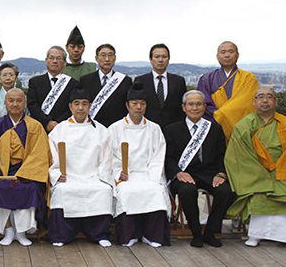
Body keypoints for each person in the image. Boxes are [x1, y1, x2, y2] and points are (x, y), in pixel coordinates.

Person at [224, 86, 286, 247]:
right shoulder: (243, 126)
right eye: (261, 97)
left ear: (276, 101)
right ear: (254, 101)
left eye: (269, 97)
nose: (265, 100)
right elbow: (238, 157)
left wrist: (280, 171)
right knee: (258, 191)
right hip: (254, 172)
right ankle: (255, 235)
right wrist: (262, 172)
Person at [0, 87, 51, 246]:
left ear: (24, 104)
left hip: (28, 174)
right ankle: (8, 230)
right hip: (1, 174)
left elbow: (40, 154)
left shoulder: (35, 127)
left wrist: (25, 174)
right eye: (11, 100)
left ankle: (22, 231)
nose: (15, 104)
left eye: (19, 101)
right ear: (5, 103)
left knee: (29, 189)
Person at [164, 90, 234, 248]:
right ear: (183, 107)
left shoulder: (214, 128)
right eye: (190, 104)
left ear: (204, 107)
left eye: (198, 104)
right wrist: (177, 173)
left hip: (209, 173)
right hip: (184, 173)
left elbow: (222, 154)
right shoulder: (172, 129)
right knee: (187, 191)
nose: (194, 108)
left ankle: (210, 232)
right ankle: (195, 232)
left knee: (226, 191)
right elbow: (168, 158)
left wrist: (221, 173)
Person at [47, 85, 114, 247]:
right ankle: (61, 235)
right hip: (68, 176)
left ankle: (99, 234)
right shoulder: (59, 130)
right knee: (63, 190)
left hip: (93, 175)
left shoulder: (101, 130)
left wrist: (102, 177)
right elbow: (53, 157)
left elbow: (106, 158)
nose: (81, 107)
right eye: (76, 103)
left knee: (103, 190)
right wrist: (57, 174)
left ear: (90, 106)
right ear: (70, 106)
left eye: (85, 103)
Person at [109, 87, 171, 247]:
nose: (138, 107)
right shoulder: (115, 128)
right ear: (127, 105)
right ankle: (129, 235)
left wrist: (153, 177)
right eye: (134, 103)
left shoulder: (154, 128)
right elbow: (110, 156)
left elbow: (158, 155)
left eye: (142, 103)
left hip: (148, 173)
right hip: (125, 175)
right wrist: (118, 173)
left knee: (155, 190)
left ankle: (152, 236)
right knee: (126, 190)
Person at [196, 41, 259, 140]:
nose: (227, 55)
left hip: (241, 128)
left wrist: (220, 116)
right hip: (213, 127)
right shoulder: (206, 78)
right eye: (223, 52)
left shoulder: (249, 78)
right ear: (217, 56)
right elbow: (203, 103)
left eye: (230, 51)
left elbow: (246, 105)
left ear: (237, 55)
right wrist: (218, 120)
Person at [131, 43, 187, 130]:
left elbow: (183, 107)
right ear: (150, 59)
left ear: (168, 59)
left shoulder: (178, 81)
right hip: (147, 129)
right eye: (157, 57)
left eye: (164, 57)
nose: (160, 60)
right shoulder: (140, 80)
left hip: (174, 130)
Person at [79, 44, 133, 127]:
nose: (107, 59)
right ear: (96, 58)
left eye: (110, 55)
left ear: (115, 58)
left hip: (117, 128)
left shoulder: (125, 81)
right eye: (103, 55)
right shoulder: (85, 80)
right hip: (92, 127)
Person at [27, 46, 75, 131]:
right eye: (51, 58)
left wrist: (58, 123)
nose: (55, 61)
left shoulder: (73, 83)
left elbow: (72, 107)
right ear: (46, 61)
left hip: (64, 128)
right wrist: (47, 122)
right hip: (39, 127)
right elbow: (32, 105)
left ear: (64, 62)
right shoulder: (35, 82)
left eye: (58, 58)